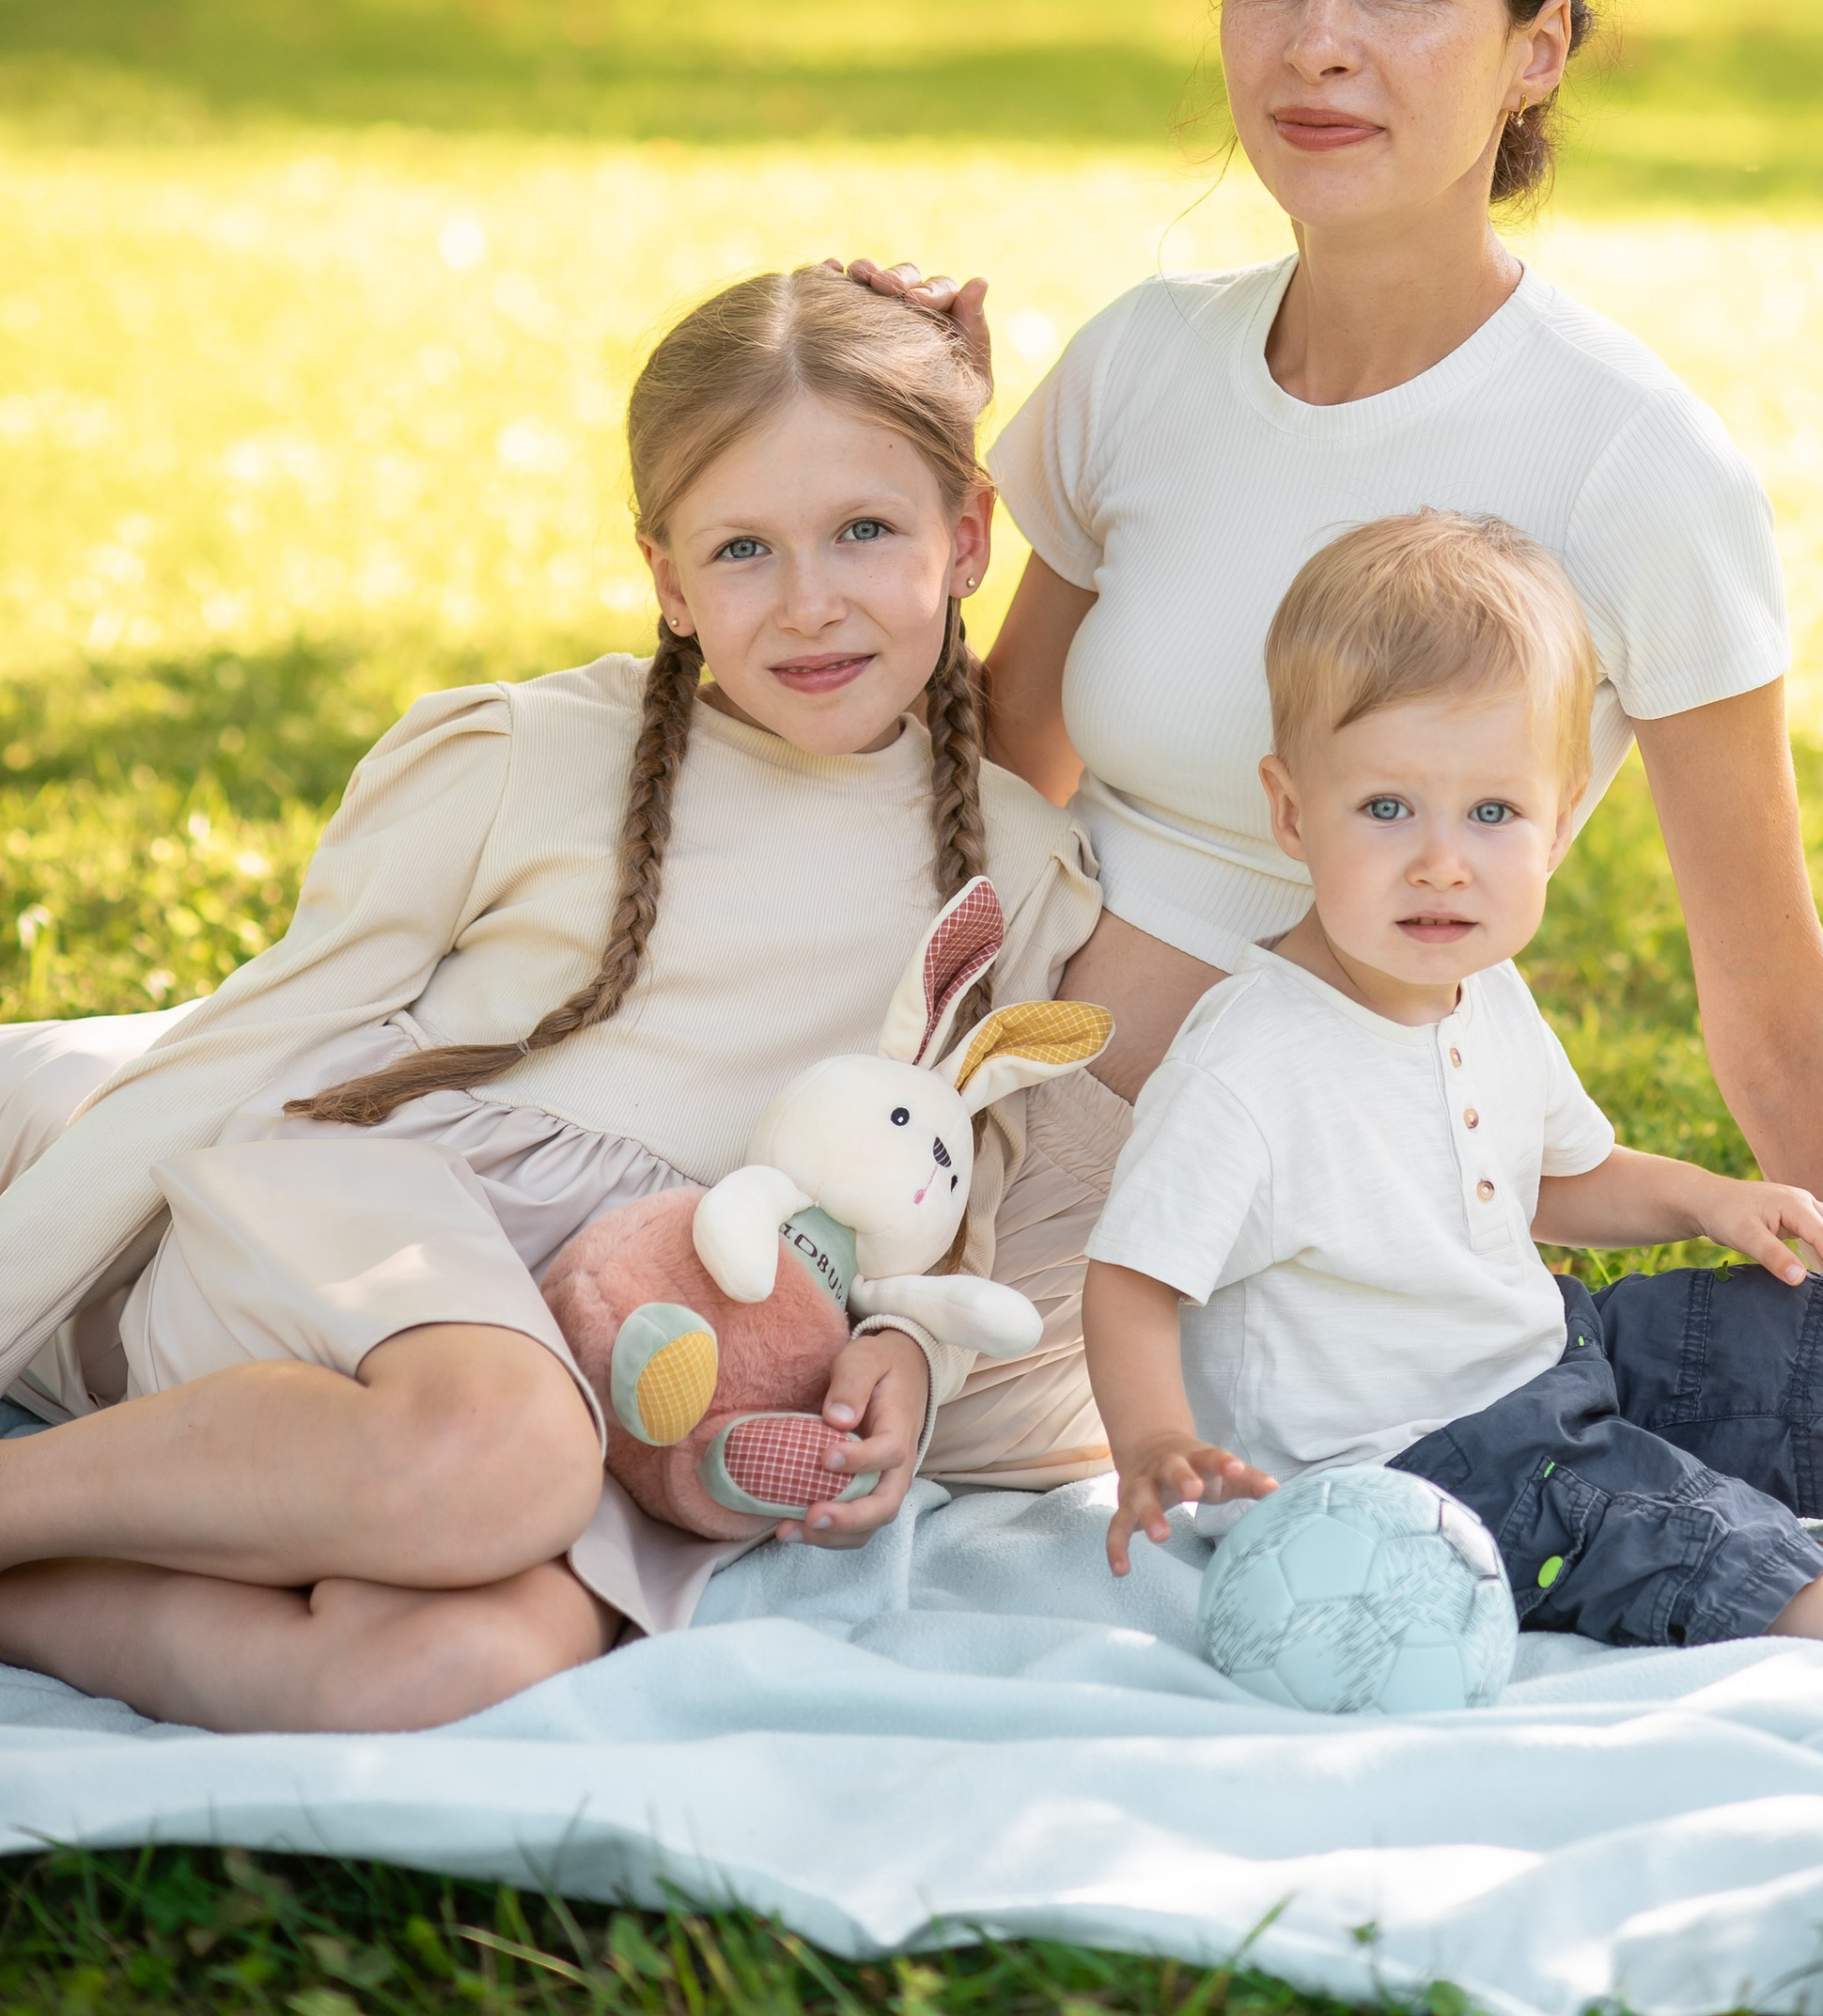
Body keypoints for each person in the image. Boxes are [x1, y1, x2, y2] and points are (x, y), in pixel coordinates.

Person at [865, 0, 1823, 1439]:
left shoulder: (1631, 462)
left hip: (1218, 1239)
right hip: (935, 1105)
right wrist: (869, 431)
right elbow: (988, 782)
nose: (1319, 41)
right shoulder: (1143, 362)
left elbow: (1774, 1002)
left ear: (1538, 47)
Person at [0, 269, 1109, 1732]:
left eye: (865, 528)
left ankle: (36, 1589)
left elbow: (961, 1171)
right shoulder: (523, 752)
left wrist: (907, 1344)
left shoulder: (1018, 862)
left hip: (638, 1353)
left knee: (454, 1666)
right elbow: (251, 1034)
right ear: (667, 575)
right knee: (499, 1451)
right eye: (742, 547)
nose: (810, 600)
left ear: (967, 535)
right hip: (373, 1234)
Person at [1083, 515, 1823, 1679]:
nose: (1441, 861)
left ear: (1560, 817)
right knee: (1643, 1510)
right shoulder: (1250, 1060)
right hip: (1399, 1477)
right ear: (1290, 812)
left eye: (1492, 813)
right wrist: (1156, 1440)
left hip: (1532, 1361)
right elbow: (1130, 1276)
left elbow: (1558, 1178)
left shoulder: (1483, 992)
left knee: (1738, 1339)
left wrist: (1708, 1198)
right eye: (1386, 808)